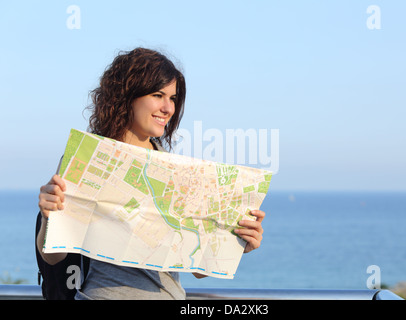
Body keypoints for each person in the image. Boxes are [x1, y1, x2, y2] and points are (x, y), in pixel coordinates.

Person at [36, 47, 265, 300]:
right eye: (158, 95)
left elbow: (198, 269)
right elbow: (53, 255)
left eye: (173, 98)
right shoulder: (89, 158)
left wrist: (238, 242)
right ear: (127, 95)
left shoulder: (175, 170)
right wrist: (49, 216)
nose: (168, 108)